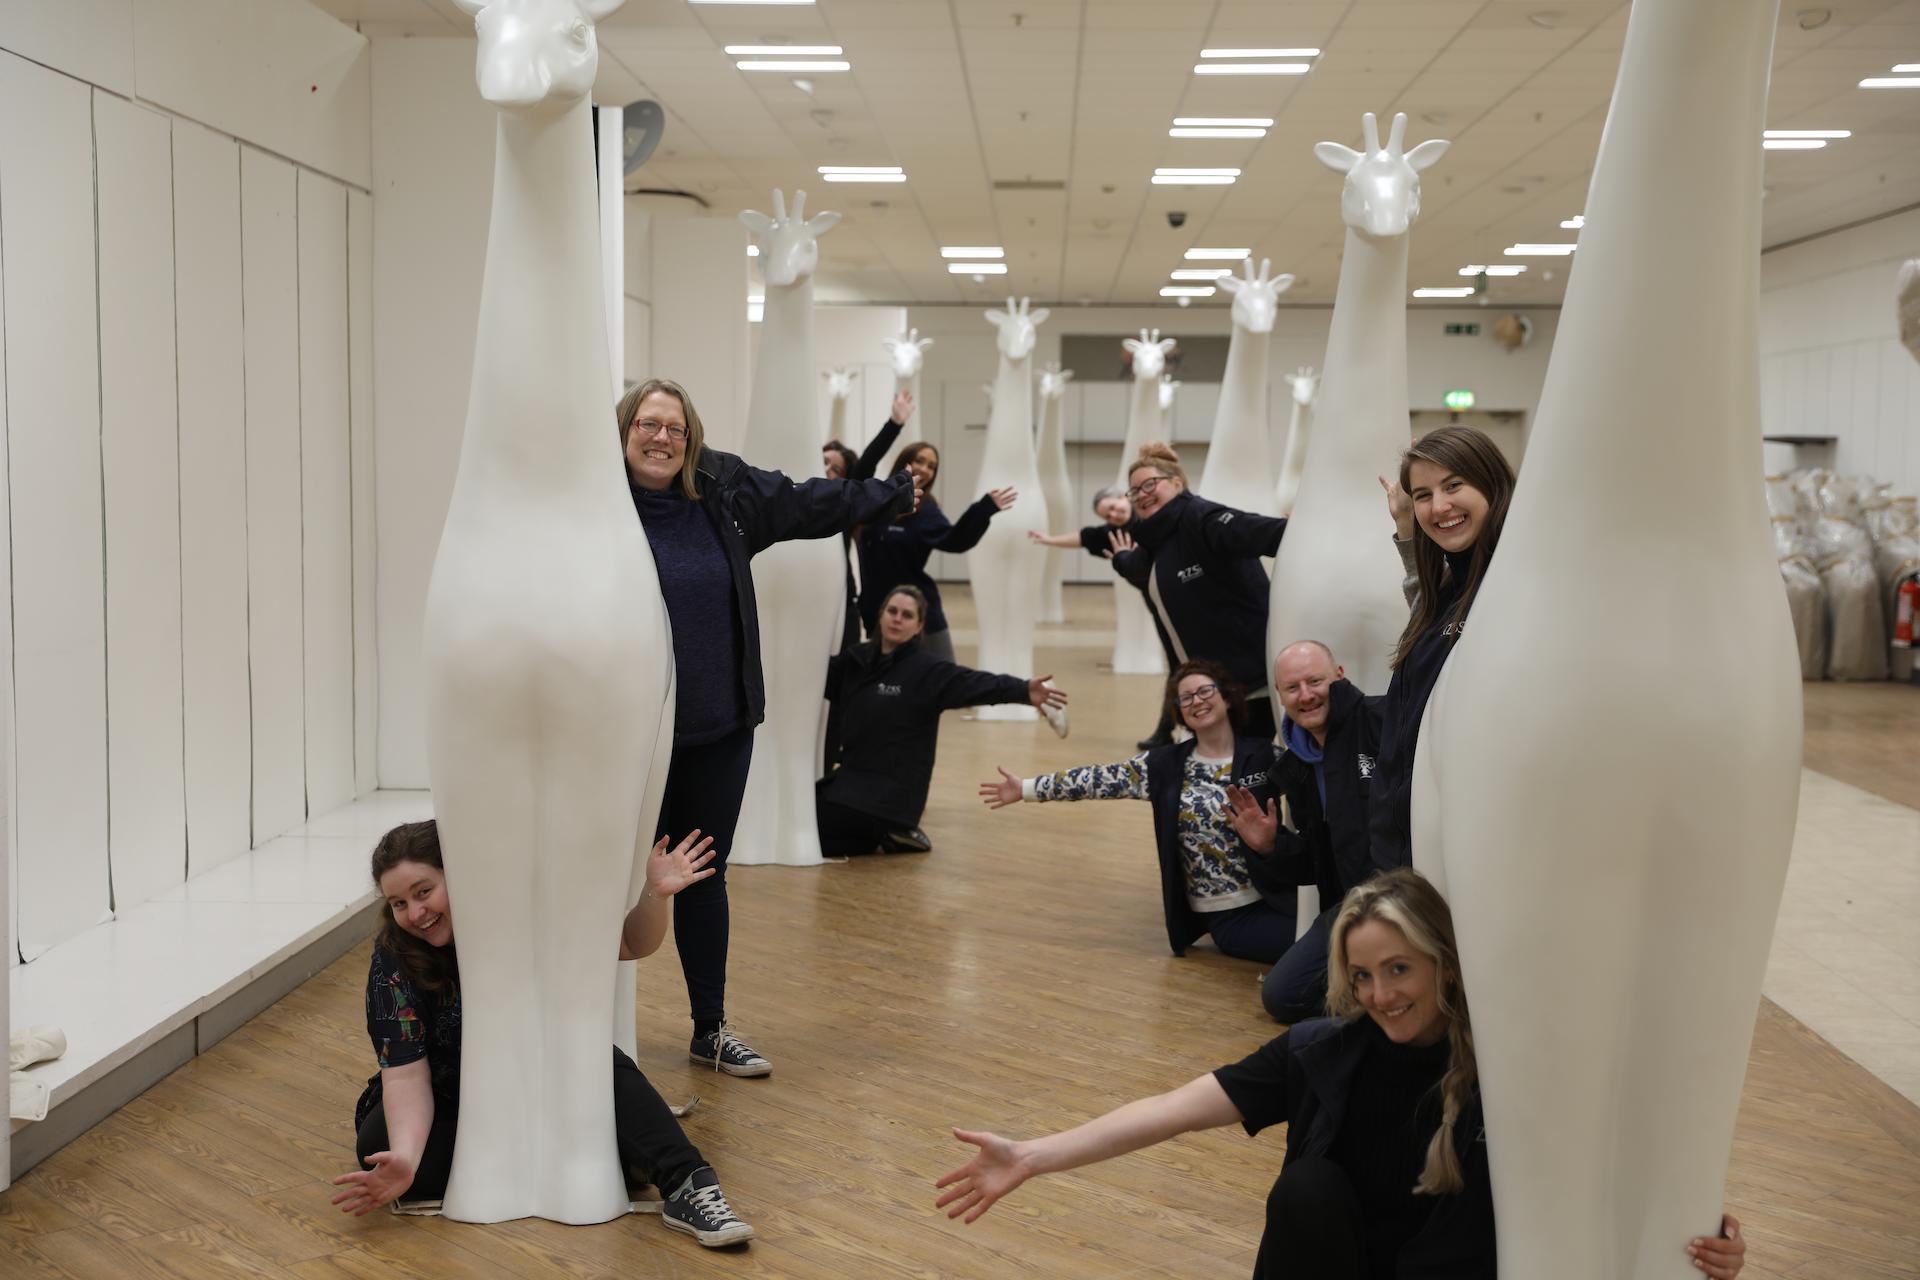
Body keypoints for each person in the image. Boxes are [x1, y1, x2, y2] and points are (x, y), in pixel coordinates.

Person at [934, 868, 1751, 1280]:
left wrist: (1699, 1222)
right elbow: (1173, 1109)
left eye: (1399, 970)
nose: (1381, 996)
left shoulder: (1505, 1061)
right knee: (1306, 1191)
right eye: (1363, 977)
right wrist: (1036, 1155)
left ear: (1442, 962)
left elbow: (1605, 1144)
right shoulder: (1323, 1050)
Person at [619, 377, 918, 1078]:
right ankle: (601, 1038)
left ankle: (710, 1028)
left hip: (717, 729)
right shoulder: (592, 506)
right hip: (628, 736)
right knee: (611, 878)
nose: (662, 438)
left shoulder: (723, 491)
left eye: (676, 428)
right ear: (624, 429)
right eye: (648, 424)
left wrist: (891, 495)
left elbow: (813, 499)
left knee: (701, 875)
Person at [334, 820, 756, 1248]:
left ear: (459, 875)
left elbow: (629, 944)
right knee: (379, 1145)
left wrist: (656, 893)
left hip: (550, 1076)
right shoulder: (393, 958)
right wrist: (406, 1157)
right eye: (399, 903)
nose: (415, 913)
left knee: (605, 1067)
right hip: (454, 1096)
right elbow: (405, 1074)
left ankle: (690, 1186)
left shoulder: (521, 912)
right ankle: (591, 1151)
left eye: (424, 891)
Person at [978, 660, 1295, 964]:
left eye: (1205, 691)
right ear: (1179, 712)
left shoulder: (1265, 755)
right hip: (1230, 915)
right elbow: (1097, 779)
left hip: (1279, 892)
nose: (1196, 701)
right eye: (1185, 698)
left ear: (1226, 697)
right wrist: (1027, 789)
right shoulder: (1164, 766)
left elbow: (1314, 787)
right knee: (1314, 943)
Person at [818, 585, 1068, 856]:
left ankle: (890, 832)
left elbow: (976, 683)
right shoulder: (856, 661)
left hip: (891, 795)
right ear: (881, 616)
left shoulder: (928, 671)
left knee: (817, 827)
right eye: (892, 611)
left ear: (918, 627)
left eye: (907, 615)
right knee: (803, 808)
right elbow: (815, 674)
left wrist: (1023, 690)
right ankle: (887, 835)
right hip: (851, 782)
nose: (897, 619)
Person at [1369, 425, 1516, 872]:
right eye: (1423, 494)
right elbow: (1430, 616)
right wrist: (1404, 526)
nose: (1440, 506)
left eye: (1454, 486)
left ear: (1492, 484)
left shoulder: (1512, 585)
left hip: (1460, 849)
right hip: (1404, 840)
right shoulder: (1450, 588)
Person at [1226, 640, 1384, 1024]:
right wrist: (1270, 847)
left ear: (1340, 676)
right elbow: (1317, 864)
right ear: (1279, 695)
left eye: (1316, 681)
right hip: (1349, 906)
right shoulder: (1293, 769)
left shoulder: (1382, 720)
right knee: (1282, 997)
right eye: (1293, 687)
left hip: (1405, 899)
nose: (1307, 695)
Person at [1108, 443, 1287, 740]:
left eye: (1150, 484)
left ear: (1177, 483)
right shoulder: (1153, 543)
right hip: (1207, 693)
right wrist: (1118, 558)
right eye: (1134, 491)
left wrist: (1306, 523)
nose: (1142, 494)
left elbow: (1266, 534)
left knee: (1245, 777)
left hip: (1249, 687)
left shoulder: (1201, 518)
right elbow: (1134, 567)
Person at [857, 440, 1016, 662]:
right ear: (904, 461)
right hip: (880, 612)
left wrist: (983, 510)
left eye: (931, 466)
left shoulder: (926, 509)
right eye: (919, 460)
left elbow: (954, 540)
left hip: (921, 612)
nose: (925, 469)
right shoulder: (878, 498)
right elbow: (862, 470)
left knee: (942, 681)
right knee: (888, 682)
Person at [826, 389, 917, 653]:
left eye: (835, 468)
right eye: (823, 462)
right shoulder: (793, 496)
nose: (826, 470)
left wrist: (895, 424)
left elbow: (868, 460)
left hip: (841, 596)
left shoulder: (841, 504)